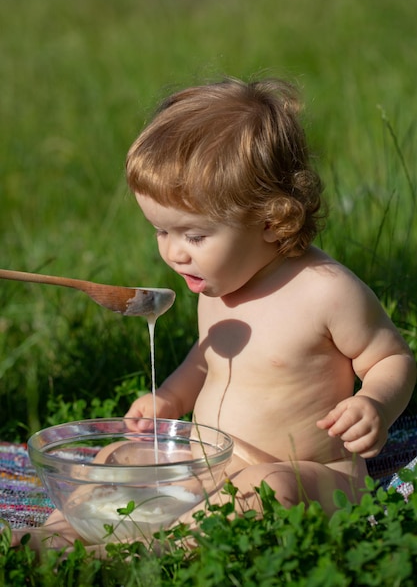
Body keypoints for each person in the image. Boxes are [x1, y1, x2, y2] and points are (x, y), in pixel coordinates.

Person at [11, 77, 416, 551]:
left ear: (272, 221)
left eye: (194, 236)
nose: (174, 254)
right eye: (161, 232)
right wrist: (170, 399)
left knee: (268, 492)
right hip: (208, 459)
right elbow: (206, 360)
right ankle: (60, 533)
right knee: (118, 456)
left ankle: (141, 554)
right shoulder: (216, 284)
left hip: (308, 472)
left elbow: (392, 359)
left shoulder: (326, 292)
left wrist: (376, 406)